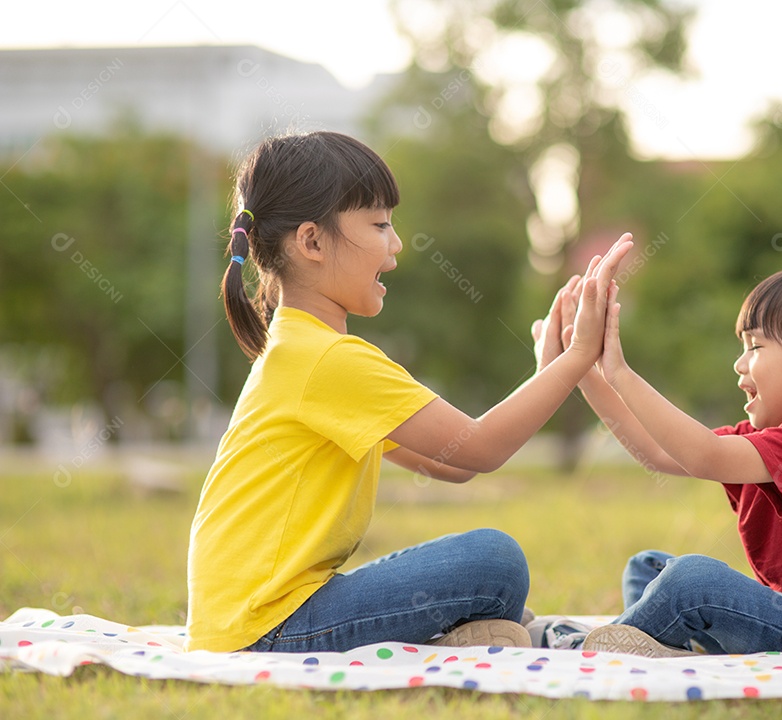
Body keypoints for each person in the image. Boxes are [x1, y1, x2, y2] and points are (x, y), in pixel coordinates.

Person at [184, 131, 632, 654]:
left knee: (485, 564)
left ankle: (481, 632)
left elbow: (454, 463)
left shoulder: (302, 351)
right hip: (267, 628)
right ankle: (498, 631)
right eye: (379, 225)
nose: (396, 247)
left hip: (252, 619)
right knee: (494, 561)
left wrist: (545, 371)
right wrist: (578, 356)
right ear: (311, 242)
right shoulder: (327, 360)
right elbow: (481, 448)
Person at [535, 261, 782, 657]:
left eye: (755, 346)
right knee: (649, 569)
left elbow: (702, 455)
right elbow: (658, 450)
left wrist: (618, 370)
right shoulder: (777, 439)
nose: (739, 363)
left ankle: (593, 648)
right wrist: (580, 367)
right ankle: (658, 645)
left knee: (691, 581)